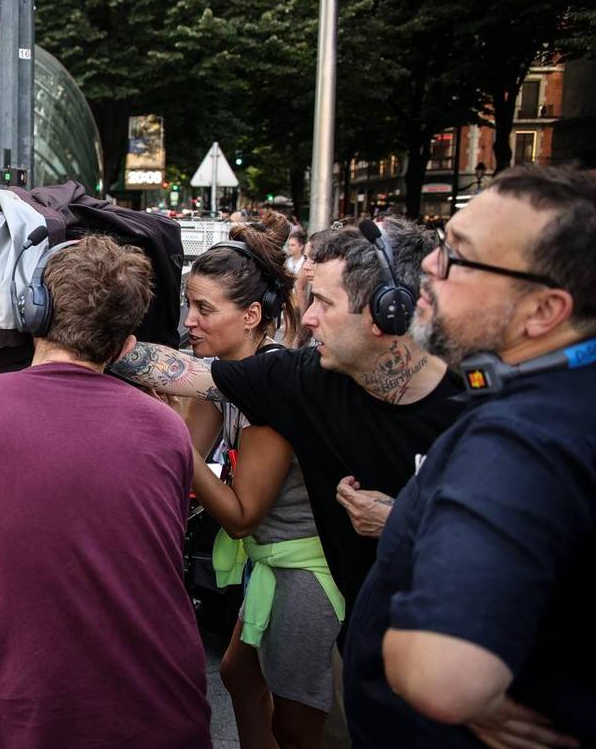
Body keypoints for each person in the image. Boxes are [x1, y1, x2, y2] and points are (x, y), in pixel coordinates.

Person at [0, 235, 213, 749]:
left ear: (32, 312)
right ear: (125, 345)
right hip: (168, 717)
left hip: (35, 723)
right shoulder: (167, 429)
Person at [346, 166, 596, 747]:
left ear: (543, 311)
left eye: (459, 256)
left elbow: (444, 677)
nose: (430, 267)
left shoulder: (520, 439)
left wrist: (416, 665)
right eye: (441, 243)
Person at [110, 216, 462, 621]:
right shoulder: (306, 379)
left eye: (325, 303)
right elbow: (186, 371)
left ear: (388, 312)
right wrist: (89, 334)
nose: (308, 318)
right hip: (362, 633)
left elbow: (534, 538)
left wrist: (405, 521)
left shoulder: (479, 403)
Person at [179, 213, 344, 748]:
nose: (189, 322)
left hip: (305, 571)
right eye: (189, 305)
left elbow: (239, 511)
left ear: (251, 315)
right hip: (268, 561)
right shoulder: (223, 378)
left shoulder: (270, 394)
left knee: (296, 723)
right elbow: (185, 459)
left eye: (204, 309)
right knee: (240, 676)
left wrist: (171, 440)